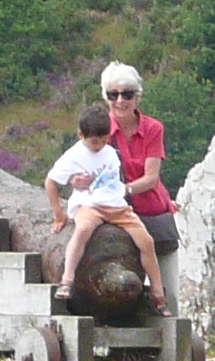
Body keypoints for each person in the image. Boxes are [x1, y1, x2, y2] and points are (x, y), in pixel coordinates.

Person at [48, 105, 169, 311]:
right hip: (90, 205)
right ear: (81, 135)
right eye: (95, 141)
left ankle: (157, 291)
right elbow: (50, 182)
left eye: (104, 140)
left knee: (146, 241)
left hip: (117, 206)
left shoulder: (111, 153)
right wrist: (59, 214)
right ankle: (67, 279)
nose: (100, 145)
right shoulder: (74, 155)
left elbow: (116, 184)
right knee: (82, 231)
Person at [97, 61, 181, 308]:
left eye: (127, 94)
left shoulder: (153, 128)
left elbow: (151, 178)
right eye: (113, 95)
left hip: (152, 212)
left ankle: (172, 333)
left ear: (137, 97)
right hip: (115, 215)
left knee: (167, 292)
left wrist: (124, 190)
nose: (120, 101)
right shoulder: (99, 130)